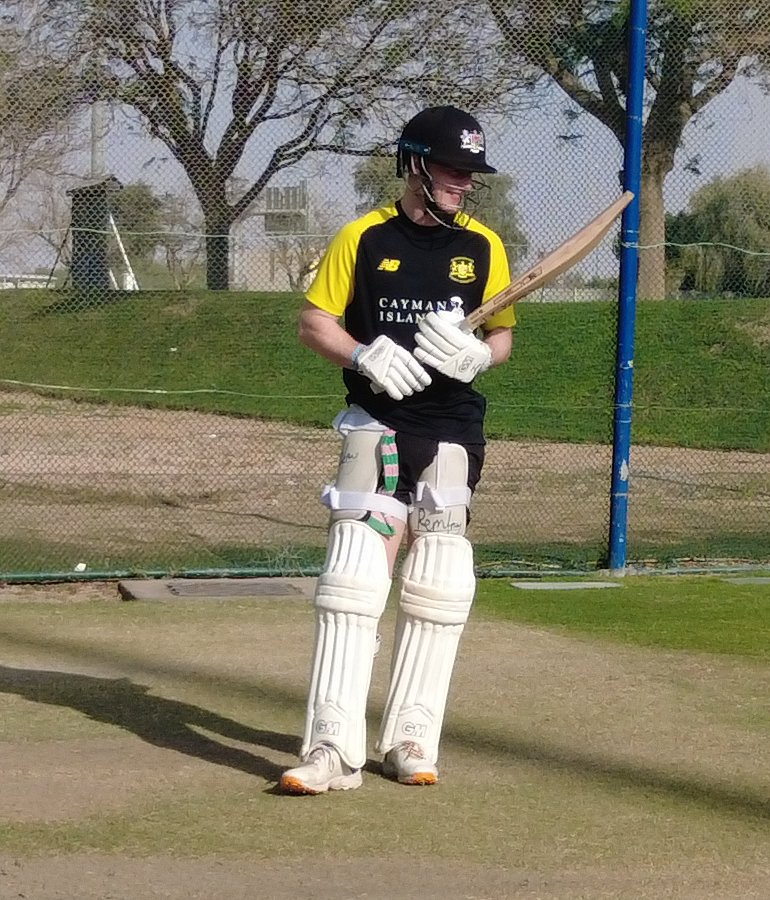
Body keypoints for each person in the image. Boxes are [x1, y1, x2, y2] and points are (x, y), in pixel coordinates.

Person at [279, 105, 516, 794]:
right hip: (376, 421)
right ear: (413, 164)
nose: (464, 184)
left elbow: (502, 334)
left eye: (471, 174)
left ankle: (410, 738)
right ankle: (331, 747)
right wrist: (362, 353)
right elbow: (313, 322)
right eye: (452, 170)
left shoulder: (484, 248)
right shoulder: (362, 236)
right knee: (354, 575)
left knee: (440, 579)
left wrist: (481, 354)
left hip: (452, 430)